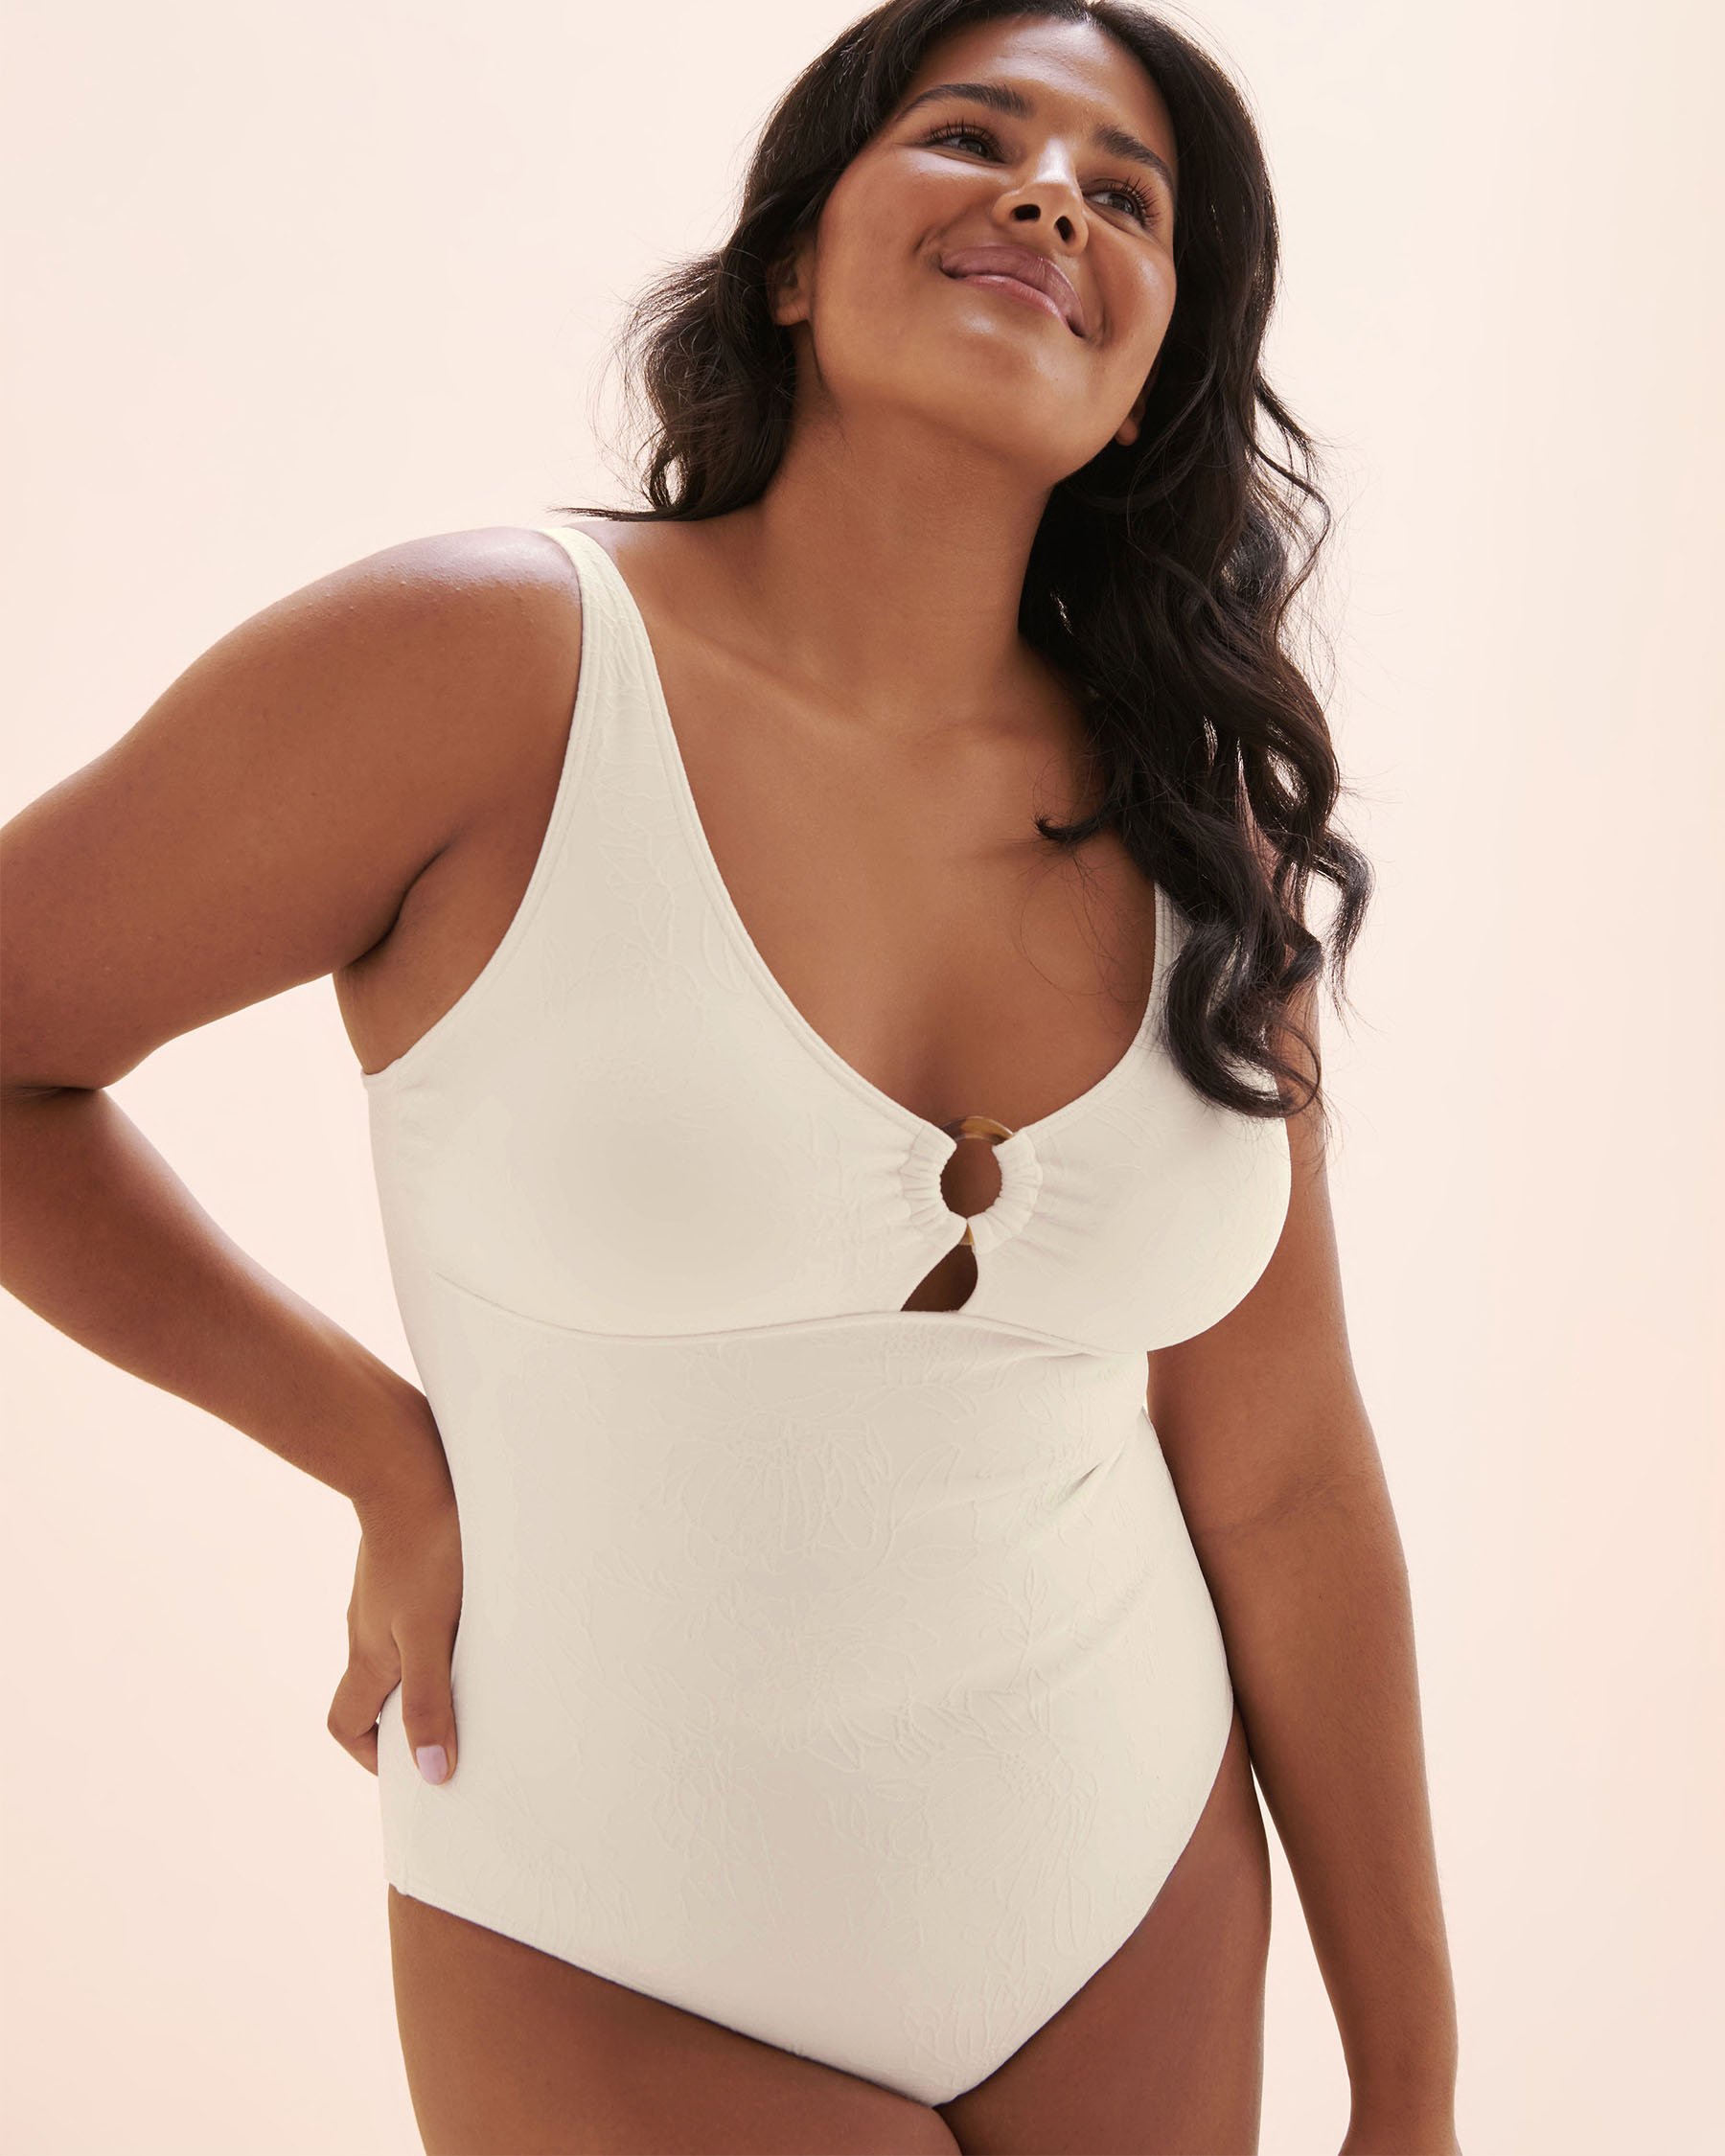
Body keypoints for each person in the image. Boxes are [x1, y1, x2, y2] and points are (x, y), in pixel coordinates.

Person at [0, 2, 1462, 2150]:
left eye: (1127, 197)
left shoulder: (1193, 829)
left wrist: (1413, 2086)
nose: (1051, 195)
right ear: (790, 259)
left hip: (1131, 1889)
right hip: (613, 1934)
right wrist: (375, 1450)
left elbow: (1284, 1472)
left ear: (1149, 376)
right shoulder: (488, 664)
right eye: (972, 135)